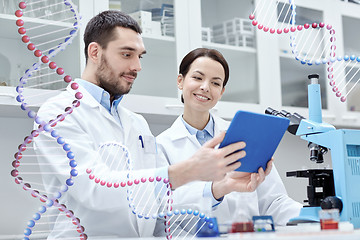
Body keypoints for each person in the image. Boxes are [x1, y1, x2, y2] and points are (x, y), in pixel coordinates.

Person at [33, 11, 271, 238]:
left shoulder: (137, 124)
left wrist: (219, 188)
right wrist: (188, 170)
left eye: (140, 56)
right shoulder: (59, 113)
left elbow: (161, 201)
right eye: (127, 54)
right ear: (95, 52)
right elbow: (94, 190)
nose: (137, 66)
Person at [156, 48, 303, 230]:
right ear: (180, 81)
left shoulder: (245, 135)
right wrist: (215, 190)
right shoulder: (161, 146)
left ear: (222, 91)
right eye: (198, 78)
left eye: (215, 83)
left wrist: (312, 217)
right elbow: (163, 213)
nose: (205, 87)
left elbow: (273, 202)